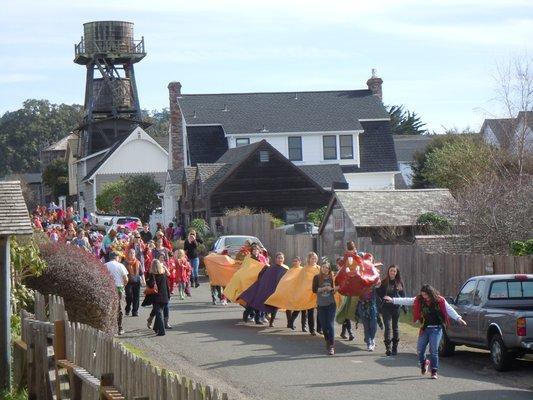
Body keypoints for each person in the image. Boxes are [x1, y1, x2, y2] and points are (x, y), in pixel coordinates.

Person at [384, 284, 467, 379]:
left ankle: (434, 371)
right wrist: (393, 300)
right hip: (425, 328)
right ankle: (424, 362)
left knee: (434, 350)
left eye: (426, 295)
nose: (425, 297)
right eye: (423, 294)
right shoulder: (420, 300)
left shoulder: (440, 300)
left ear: (431, 293)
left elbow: (449, 310)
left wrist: (459, 318)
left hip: (436, 329)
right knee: (420, 350)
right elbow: (408, 300)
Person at [239, 252, 288, 326]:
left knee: (275, 307)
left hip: (276, 291)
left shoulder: (285, 269)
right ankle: (248, 314)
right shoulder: (270, 268)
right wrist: (262, 286)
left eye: (281, 258)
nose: (280, 259)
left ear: (284, 259)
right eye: (278, 258)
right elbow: (262, 277)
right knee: (258, 303)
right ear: (275, 259)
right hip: (265, 289)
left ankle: (271, 322)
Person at [377, 265, 405, 356]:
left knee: (395, 327)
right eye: (391, 270)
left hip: (396, 308)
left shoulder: (399, 283)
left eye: (394, 271)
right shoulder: (384, 282)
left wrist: (405, 307)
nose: (392, 272)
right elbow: (378, 292)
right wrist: (381, 295)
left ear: (396, 273)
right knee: (388, 327)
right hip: (386, 308)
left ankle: (394, 348)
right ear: (388, 271)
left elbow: (403, 295)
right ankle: (388, 348)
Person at [312, 261, 339, 355]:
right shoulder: (316, 277)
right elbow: (314, 290)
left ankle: (331, 346)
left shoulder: (332, 278)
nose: (325, 269)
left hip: (331, 304)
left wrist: (334, 290)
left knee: (330, 324)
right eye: (323, 267)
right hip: (321, 305)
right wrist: (324, 289)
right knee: (324, 326)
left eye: (327, 268)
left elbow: (333, 291)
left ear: (329, 269)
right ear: (321, 268)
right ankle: (327, 339)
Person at [146, 257, 171, 336]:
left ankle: (161, 331)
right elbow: (167, 286)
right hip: (164, 297)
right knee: (159, 313)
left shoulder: (152, 276)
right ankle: (156, 328)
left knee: (159, 314)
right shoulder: (163, 275)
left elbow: (150, 286)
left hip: (156, 298)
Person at [105, 252, 129, 335]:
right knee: (120, 308)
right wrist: (124, 285)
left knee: (110, 307)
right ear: (117, 257)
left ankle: (110, 327)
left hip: (109, 288)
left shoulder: (105, 265)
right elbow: (126, 279)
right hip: (119, 287)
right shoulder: (120, 265)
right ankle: (120, 328)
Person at [124, 248, 143, 317]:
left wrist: (143, 280)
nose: (132, 254)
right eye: (130, 253)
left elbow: (141, 272)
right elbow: (123, 273)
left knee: (136, 297)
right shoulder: (125, 262)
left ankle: (135, 311)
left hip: (137, 281)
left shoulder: (138, 262)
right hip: (128, 282)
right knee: (129, 296)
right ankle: (128, 308)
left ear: (135, 254)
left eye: (133, 253)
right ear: (128, 254)